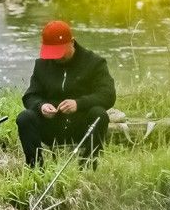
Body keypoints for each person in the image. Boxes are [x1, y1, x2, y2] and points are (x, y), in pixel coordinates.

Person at [16, 20, 115, 167]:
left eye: (60, 53)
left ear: (72, 42)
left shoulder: (94, 63)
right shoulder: (42, 65)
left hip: (81, 125)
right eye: (53, 53)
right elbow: (30, 96)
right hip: (51, 125)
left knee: (99, 115)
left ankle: (88, 165)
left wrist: (78, 104)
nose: (56, 57)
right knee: (24, 118)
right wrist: (41, 106)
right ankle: (35, 167)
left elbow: (108, 94)